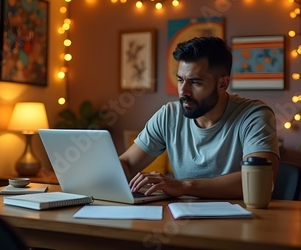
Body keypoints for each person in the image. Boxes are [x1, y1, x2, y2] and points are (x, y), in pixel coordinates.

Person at [119, 36, 280, 199]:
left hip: (241, 219)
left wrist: (183, 185)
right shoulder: (169, 115)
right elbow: (127, 164)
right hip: (182, 219)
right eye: (180, 80)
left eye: (195, 82)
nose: (183, 91)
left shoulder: (254, 115)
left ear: (222, 84)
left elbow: (260, 180)